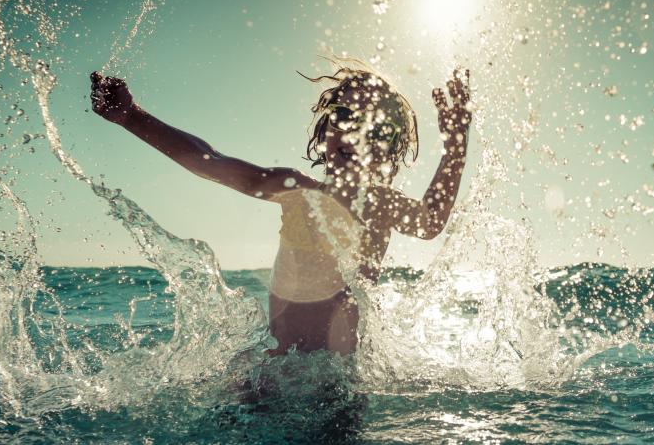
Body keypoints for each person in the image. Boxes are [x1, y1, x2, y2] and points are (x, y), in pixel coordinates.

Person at [89, 63, 472, 356]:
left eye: (370, 127)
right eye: (342, 117)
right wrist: (131, 117)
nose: (351, 132)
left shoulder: (380, 205)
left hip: (339, 373)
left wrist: (455, 146)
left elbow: (429, 222)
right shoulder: (295, 189)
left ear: (385, 147)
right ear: (326, 129)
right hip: (279, 362)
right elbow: (208, 161)